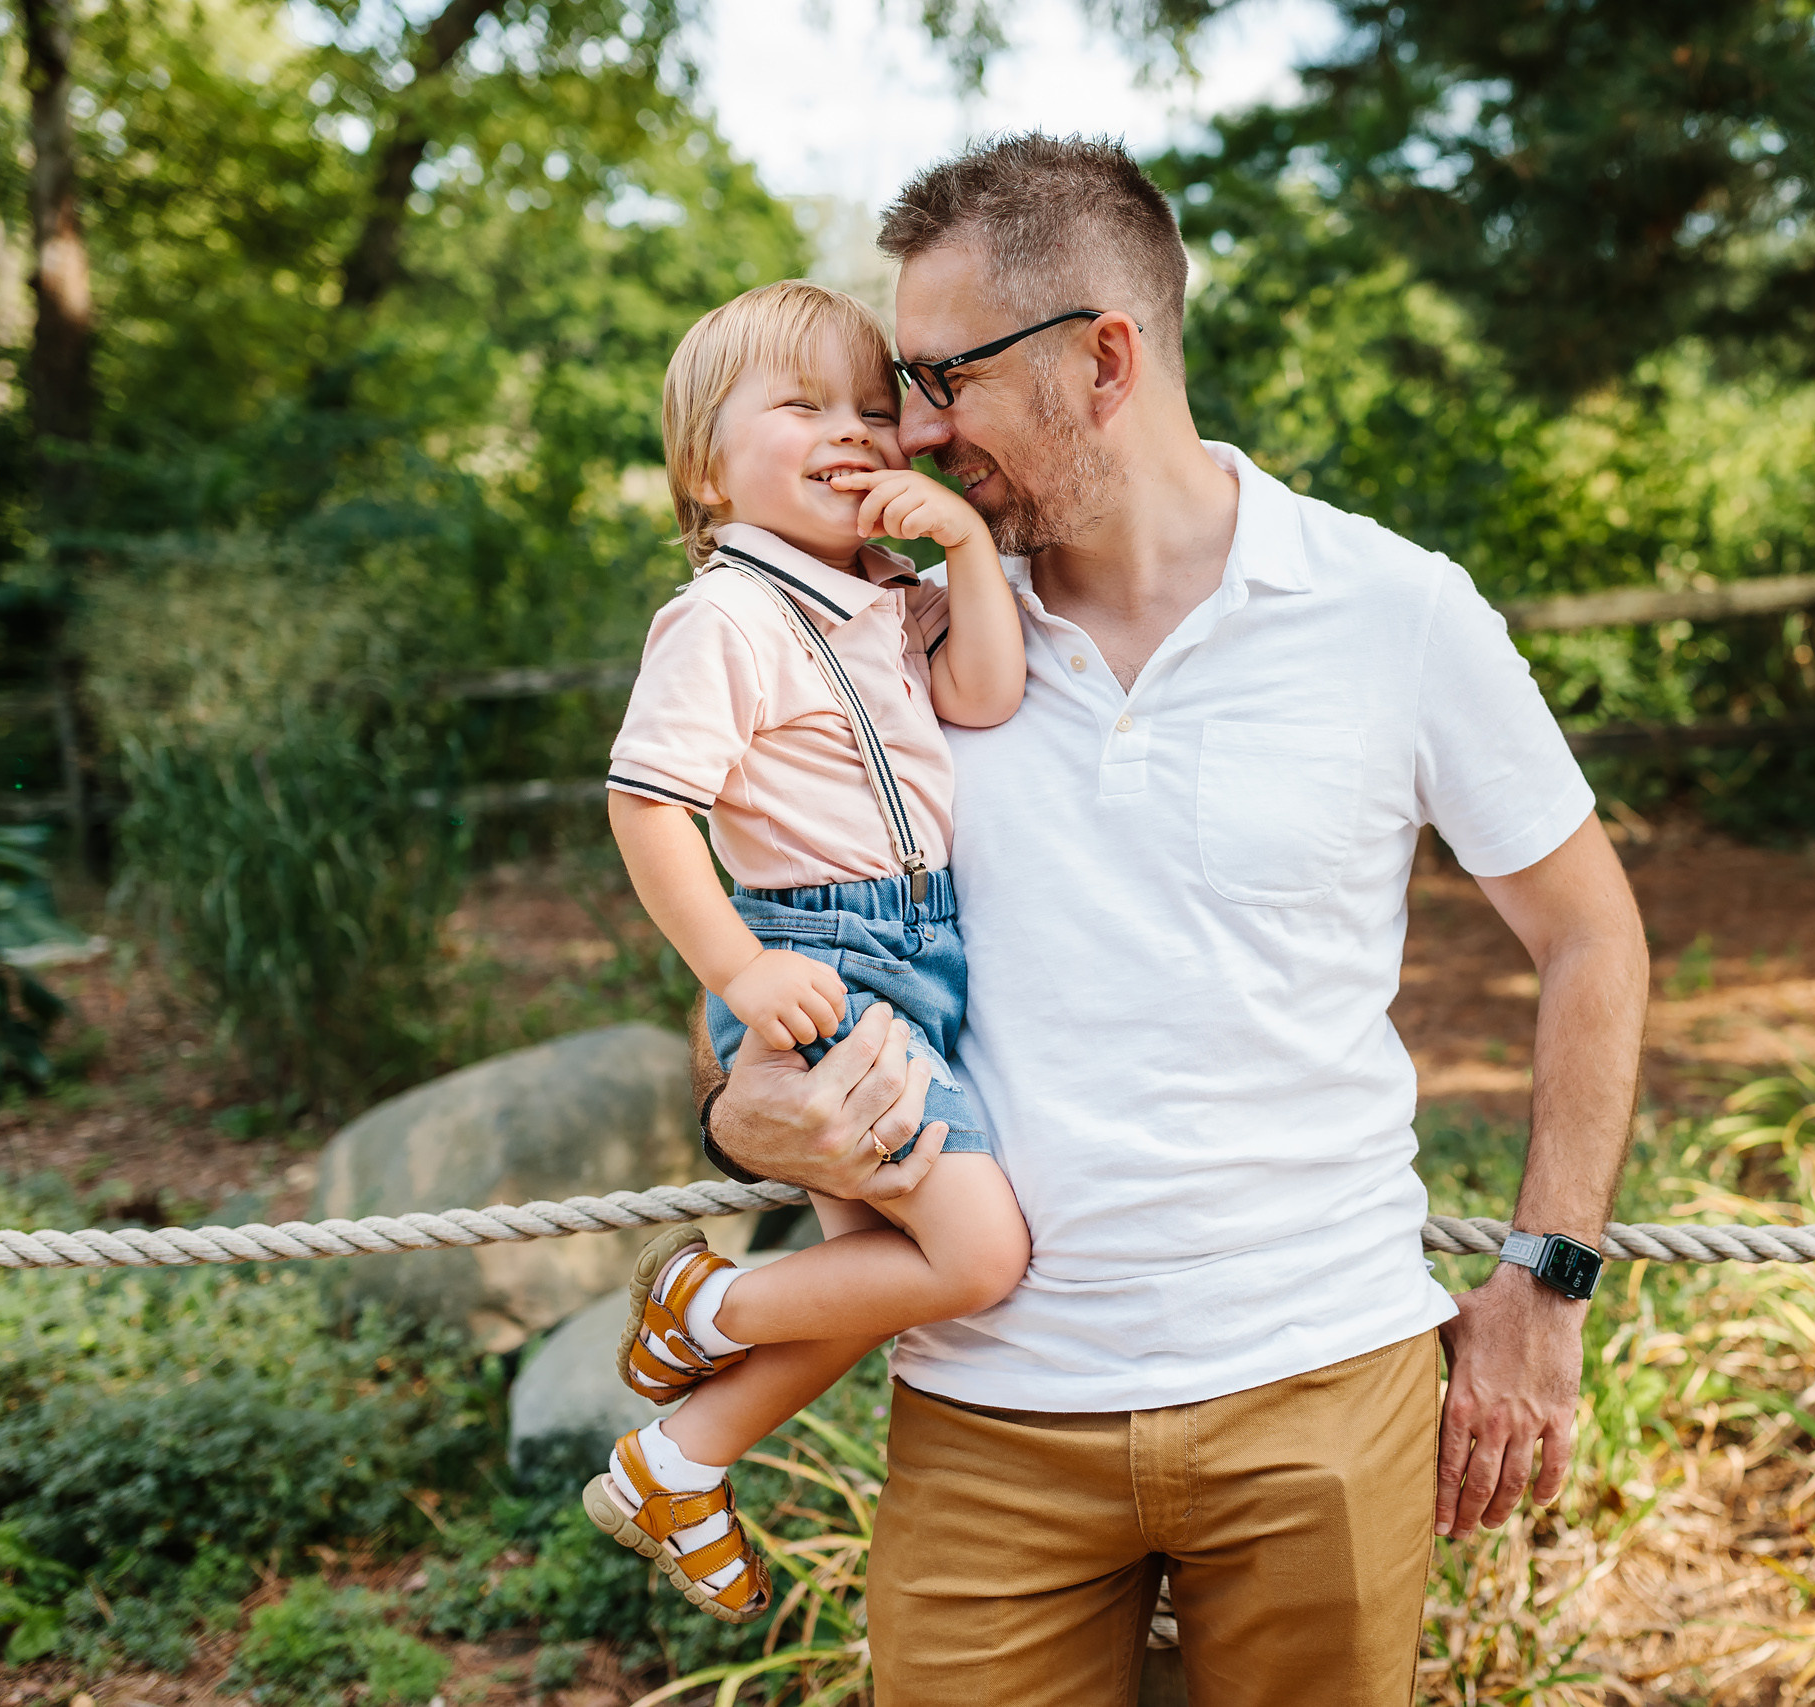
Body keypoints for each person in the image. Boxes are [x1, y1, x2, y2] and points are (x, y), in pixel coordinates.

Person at [695, 135, 1650, 1703]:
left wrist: (1545, 1285)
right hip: (987, 1412)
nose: (908, 432)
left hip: (1321, 1397)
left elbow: (1592, 939)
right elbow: (771, 934)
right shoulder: (889, 629)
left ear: (1103, 358)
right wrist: (745, 1110)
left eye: (939, 379)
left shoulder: (1396, 610)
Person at [582, 279, 1032, 1624]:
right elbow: (646, 802)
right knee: (973, 1258)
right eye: (801, 407)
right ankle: (705, 1307)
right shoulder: (725, 617)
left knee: (874, 1287)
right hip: (820, 959)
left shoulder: (885, 597)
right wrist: (738, 974)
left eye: (870, 407)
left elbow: (988, 691)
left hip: (917, 956)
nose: (853, 433)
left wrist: (956, 542)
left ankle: (678, 1458)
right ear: (705, 469)